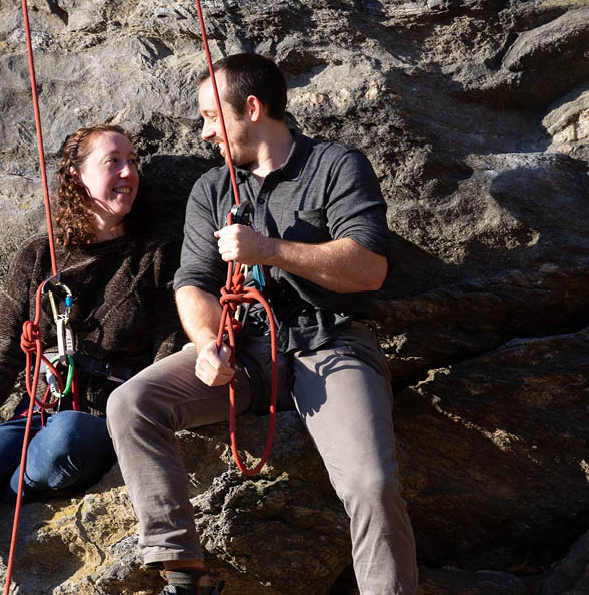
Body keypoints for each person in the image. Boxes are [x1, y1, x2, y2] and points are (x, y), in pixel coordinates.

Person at [106, 53, 418, 595]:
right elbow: (193, 283)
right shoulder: (212, 189)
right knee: (131, 404)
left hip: (330, 341)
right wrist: (206, 343)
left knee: (371, 484)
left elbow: (369, 269)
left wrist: (270, 250)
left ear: (252, 108)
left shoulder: (335, 166)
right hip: (245, 349)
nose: (205, 133)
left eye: (211, 117)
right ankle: (183, 571)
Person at [0, 124, 182, 595]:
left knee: (67, 441)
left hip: (105, 415)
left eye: (132, 162)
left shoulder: (155, 256)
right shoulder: (39, 257)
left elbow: (169, 350)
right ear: (76, 177)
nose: (130, 172)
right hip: (34, 414)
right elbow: (2, 351)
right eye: (113, 162)